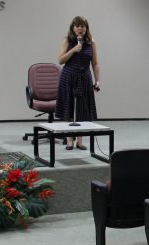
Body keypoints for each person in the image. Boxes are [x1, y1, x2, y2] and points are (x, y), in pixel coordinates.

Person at [56, 16, 101, 151]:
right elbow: (60, 60)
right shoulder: (67, 40)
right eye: (77, 26)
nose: (80, 28)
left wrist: (97, 80)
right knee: (69, 107)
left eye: (83, 26)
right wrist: (74, 49)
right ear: (73, 28)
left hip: (85, 76)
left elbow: (95, 63)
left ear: (86, 28)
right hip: (69, 75)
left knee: (82, 108)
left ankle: (80, 140)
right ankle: (70, 140)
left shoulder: (92, 42)